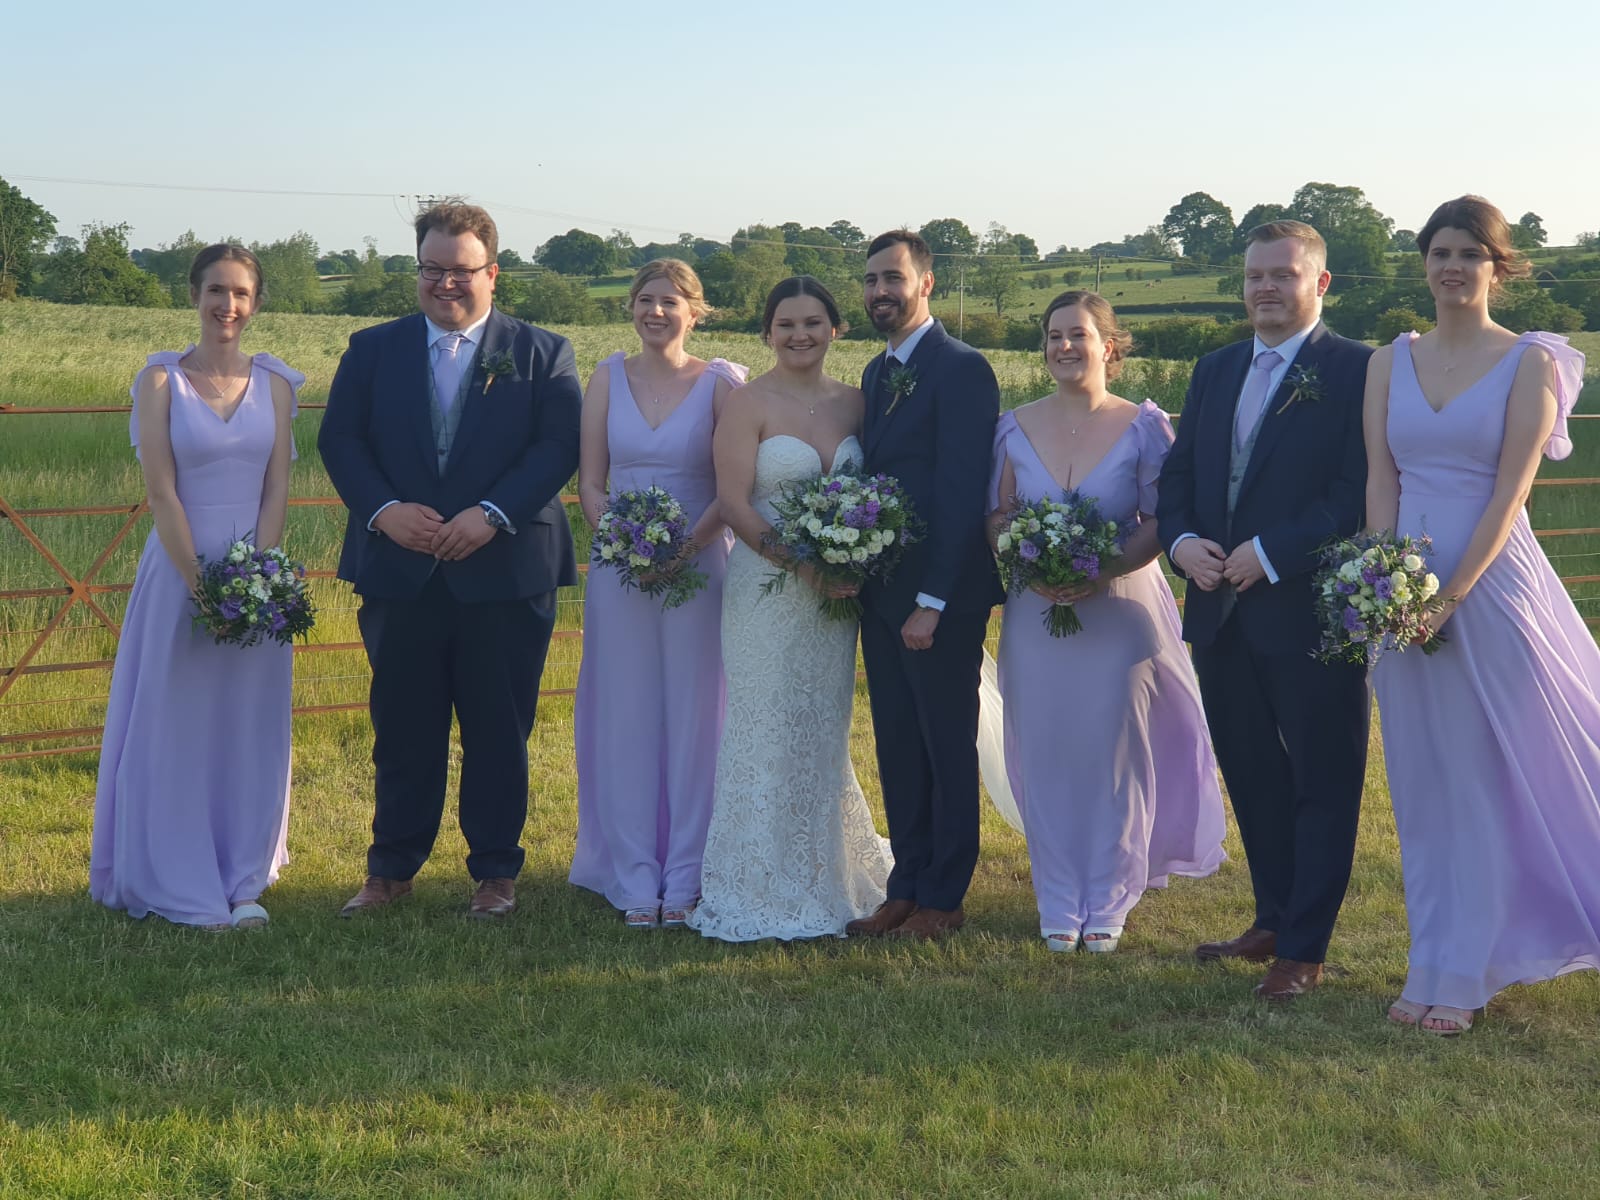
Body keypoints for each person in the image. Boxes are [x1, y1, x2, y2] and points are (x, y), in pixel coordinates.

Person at [1365, 196, 1598, 1035]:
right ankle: (1430, 960)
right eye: (1440, 253)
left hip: (1493, 589)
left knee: (1485, 781)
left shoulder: (1531, 362)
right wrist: (1383, 581)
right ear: (1423, 265)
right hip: (1400, 596)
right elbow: (1382, 480)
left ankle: (1463, 976)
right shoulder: (1389, 361)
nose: (1453, 267)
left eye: (1471, 253)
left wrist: (1451, 596)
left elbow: (1511, 493)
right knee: (1424, 784)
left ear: (1499, 267)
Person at [319, 202, 581, 919]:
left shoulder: (543, 352)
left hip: (505, 569)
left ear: (492, 273)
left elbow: (558, 446)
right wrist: (384, 511)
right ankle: (390, 869)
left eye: (460, 270)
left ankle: (495, 872)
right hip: (400, 567)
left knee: (500, 728)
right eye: (431, 269)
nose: (444, 284)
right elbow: (341, 440)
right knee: (402, 727)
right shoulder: (372, 349)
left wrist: (491, 514)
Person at [1155, 221, 1372, 1000]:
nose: (1266, 288)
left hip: (1310, 613)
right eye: (1255, 276)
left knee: (1322, 778)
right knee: (1252, 773)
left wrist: (1273, 553)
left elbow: (1355, 491)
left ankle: (1304, 948)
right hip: (1218, 611)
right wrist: (1182, 543)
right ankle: (1273, 918)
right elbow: (1178, 477)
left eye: (1283, 274)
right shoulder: (1215, 369)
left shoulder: (1357, 369)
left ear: (1321, 283)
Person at [988, 291, 1225, 953]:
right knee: (1048, 750)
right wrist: (1030, 563)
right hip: (1036, 613)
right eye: (1054, 335)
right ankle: (1059, 896)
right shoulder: (1012, 427)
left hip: (1119, 610)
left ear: (1109, 346)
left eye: (1080, 335)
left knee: (1115, 755)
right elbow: (999, 514)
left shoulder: (1144, 426)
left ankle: (1111, 894)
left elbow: (1162, 516)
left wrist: (1102, 568)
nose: (1065, 346)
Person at [90, 244, 302, 930]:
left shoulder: (277, 384)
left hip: (255, 581)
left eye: (241, 293)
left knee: (247, 725)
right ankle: (174, 870)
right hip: (180, 573)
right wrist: (203, 585)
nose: (227, 305)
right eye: (216, 290)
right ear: (194, 295)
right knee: (175, 722)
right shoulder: (159, 381)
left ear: (256, 303)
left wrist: (257, 580)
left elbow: (277, 489)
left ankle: (244, 874)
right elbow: (161, 492)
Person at [689, 276, 890, 941]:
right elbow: (734, 503)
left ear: (836, 329)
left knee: (823, 728)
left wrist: (851, 558)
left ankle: (823, 870)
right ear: (767, 333)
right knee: (765, 724)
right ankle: (755, 878)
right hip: (766, 594)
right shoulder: (747, 404)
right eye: (786, 324)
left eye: (812, 322)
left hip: (836, 601)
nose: (799, 334)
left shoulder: (858, 403)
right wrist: (803, 565)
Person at [569, 260, 746, 929]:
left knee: (698, 713)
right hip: (620, 572)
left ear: (695, 311)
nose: (655, 311)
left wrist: (682, 549)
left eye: (670, 301)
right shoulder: (605, 378)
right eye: (645, 299)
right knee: (627, 709)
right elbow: (591, 482)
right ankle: (635, 870)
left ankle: (688, 871)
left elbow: (733, 488)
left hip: (698, 568)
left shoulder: (721, 385)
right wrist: (621, 542)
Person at [846, 230, 1003, 941]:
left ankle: (945, 894)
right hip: (880, 595)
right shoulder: (876, 373)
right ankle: (905, 885)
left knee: (945, 745)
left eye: (894, 278)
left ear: (926, 283)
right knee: (898, 745)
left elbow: (962, 489)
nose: (881, 291)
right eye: (872, 280)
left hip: (940, 597)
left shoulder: (961, 368)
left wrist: (933, 601)